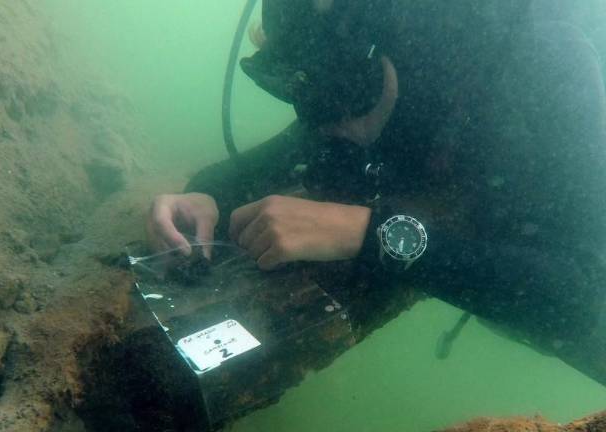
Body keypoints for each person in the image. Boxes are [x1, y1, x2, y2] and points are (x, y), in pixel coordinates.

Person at [146, 0, 606, 385]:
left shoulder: (544, 58)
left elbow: (578, 298)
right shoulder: (373, 85)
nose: (322, 119)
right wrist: (206, 194)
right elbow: (290, 150)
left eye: (339, 93)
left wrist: (367, 233)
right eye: (302, 93)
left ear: (400, 48)